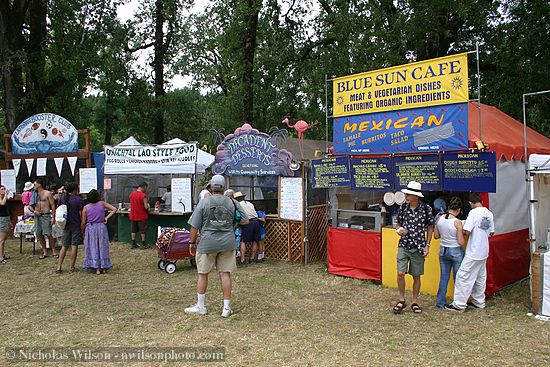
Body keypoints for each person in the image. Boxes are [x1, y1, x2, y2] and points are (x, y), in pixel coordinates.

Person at [185, 175, 248, 317]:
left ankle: (201, 306)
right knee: (225, 274)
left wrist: (191, 242)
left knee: (203, 274)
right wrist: (232, 224)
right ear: (224, 187)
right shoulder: (232, 202)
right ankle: (226, 308)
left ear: (211, 187)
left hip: (207, 242)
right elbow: (245, 220)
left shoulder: (204, 202)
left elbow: (194, 225)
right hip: (227, 242)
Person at [446, 193, 494, 312]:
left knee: (463, 275)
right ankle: (479, 301)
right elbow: (491, 232)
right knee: (480, 277)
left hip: (474, 250)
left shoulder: (473, 213)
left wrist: (460, 225)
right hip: (484, 250)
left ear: (470, 203)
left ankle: (459, 304)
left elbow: (466, 231)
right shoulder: (489, 213)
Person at [392, 181, 434, 314]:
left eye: (408, 194)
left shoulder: (426, 209)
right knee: (400, 273)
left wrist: (427, 245)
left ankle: (415, 301)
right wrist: (399, 230)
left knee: (416, 275)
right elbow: (397, 223)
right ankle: (402, 299)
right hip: (404, 244)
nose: (406, 196)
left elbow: (430, 227)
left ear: (416, 196)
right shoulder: (403, 208)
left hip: (419, 246)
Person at [434, 197, 465, 308]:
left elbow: (436, 236)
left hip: (443, 250)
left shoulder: (439, 219)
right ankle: (458, 302)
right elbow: (461, 242)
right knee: (458, 278)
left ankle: (440, 303)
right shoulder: (457, 222)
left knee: (444, 277)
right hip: (455, 251)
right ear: (459, 210)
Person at [81, 189, 117, 275]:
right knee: (103, 246)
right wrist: (106, 218)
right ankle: (104, 267)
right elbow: (114, 209)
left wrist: (82, 231)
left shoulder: (86, 208)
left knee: (93, 247)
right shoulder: (102, 203)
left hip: (91, 228)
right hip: (101, 227)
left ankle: (96, 267)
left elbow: (83, 222)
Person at [56, 183, 85, 273]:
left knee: (64, 246)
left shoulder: (63, 198)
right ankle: (72, 266)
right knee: (74, 246)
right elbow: (80, 214)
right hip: (75, 224)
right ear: (75, 189)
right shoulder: (78, 200)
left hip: (65, 225)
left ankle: (59, 266)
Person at [32, 179, 57, 259]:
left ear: (39, 184)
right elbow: (30, 205)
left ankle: (53, 251)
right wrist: (34, 211)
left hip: (45, 215)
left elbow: (53, 205)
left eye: (35, 184)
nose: (34, 186)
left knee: (48, 233)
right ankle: (44, 251)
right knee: (39, 234)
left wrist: (53, 217)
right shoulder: (34, 194)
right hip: (37, 215)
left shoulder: (47, 193)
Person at [234, 191, 261, 264]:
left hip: (248, 222)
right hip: (256, 221)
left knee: (243, 241)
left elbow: (238, 215)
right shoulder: (249, 203)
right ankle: (252, 258)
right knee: (255, 241)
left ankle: (243, 259)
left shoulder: (238, 205)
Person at [129, 182, 149, 249]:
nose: (146, 189)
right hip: (141, 215)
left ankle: (133, 243)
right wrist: (148, 206)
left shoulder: (132, 194)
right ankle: (143, 244)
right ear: (143, 187)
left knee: (133, 230)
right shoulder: (143, 195)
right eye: (146, 188)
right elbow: (146, 207)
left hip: (133, 215)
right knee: (143, 230)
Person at [0, 185, 12, 264]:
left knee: (4, 239)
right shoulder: (1, 198)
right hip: (2, 219)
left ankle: (3, 254)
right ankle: (0, 256)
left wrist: (10, 221)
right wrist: (5, 195)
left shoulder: (4, 197)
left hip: (6, 218)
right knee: (1, 240)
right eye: (2, 189)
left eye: (4, 189)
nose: (4, 190)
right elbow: (2, 203)